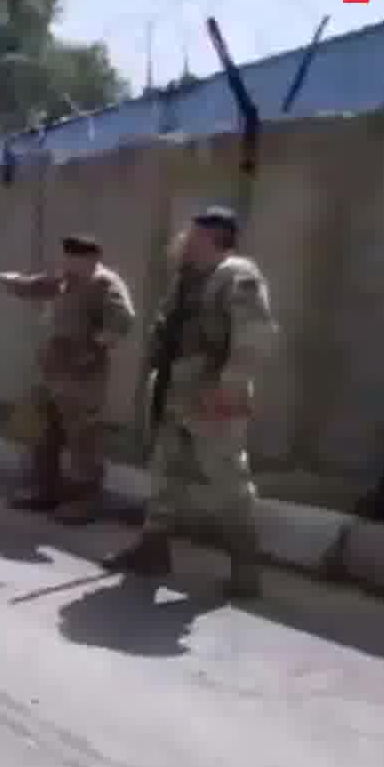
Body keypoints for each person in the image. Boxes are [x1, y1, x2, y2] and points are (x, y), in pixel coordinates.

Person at [103, 206, 278, 602]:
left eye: (193, 236)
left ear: (214, 238)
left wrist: (231, 387)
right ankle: (153, 548)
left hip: (212, 395)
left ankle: (246, 568)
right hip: (175, 392)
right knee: (165, 472)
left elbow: (256, 334)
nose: (183, 241)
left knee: (227, 478)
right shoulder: (187, 280)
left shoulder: (237, 275)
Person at [0, 234, 137, 523]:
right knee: (44, 433)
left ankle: (85, 504)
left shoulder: (104, 283)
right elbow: (28, 284)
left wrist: (92, 350)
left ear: (91, 259)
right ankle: (45, 492)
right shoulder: (66, 280)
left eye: (73, 259)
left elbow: (124, 320)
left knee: (83, 440)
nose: (67, 264)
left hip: (82, 379)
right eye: (66, 258)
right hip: (54, 373)